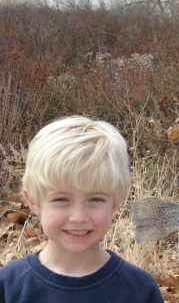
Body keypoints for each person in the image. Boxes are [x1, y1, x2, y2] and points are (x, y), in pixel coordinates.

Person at [0, 116, 164, 303]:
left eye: (95, 199)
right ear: (33, 201)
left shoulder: (140, 289)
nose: (78, 217)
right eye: (61, 199)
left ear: (118, 200)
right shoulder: (8, 286)